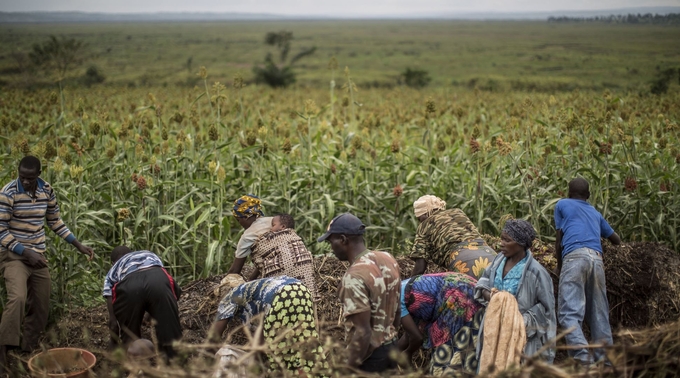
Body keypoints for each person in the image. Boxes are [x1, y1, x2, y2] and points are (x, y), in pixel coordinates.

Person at [0, 156, 94, 369]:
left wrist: (77, 244)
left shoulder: (46, 191)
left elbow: (54, 220)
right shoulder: (8, 193)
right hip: (14, 255)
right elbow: (1, 231)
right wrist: (26, 252)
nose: (25, 181)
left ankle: (27, 350)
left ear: (39, 175)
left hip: (38, 255)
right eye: (22, 177)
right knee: (18, 299)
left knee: (42, 304)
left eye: (30, 178)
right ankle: (3, 351)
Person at [318, 213, 401, 373]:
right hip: (392, 347)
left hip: (369, 358)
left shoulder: (353, 277)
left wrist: (346, 370)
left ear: (343, 240)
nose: (331, 247)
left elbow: (363, 333)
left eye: (331, 241)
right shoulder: (388, 258)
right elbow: (396, 310)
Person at [554, 178, 621, 366]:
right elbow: (616, 239)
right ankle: (606, 362)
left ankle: (585, 362)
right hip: (596, 260)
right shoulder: (594, 212)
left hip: (574, 258)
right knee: (599, 314)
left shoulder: (562, 204)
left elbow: (559, 240)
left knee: (569, 313)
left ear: (568, 193)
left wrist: (559, 266)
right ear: (588, 196)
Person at [207, 276, 327, 376]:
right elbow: (260, 342)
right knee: (305, 345)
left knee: (283, 357)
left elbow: (213, 338)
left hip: (283, 297)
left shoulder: (231, 296)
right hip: (302, 291)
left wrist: (203, 364)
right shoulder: (255, 292)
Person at [475, 219, 556, 363]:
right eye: (501, 238)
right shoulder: (498, 261)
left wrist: (518, 321)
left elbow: (547, 310)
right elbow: (484, 282)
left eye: (507, 240)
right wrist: (494, 297)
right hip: (493, 331)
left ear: (521, 244)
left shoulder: (536, 273)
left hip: (519, 337)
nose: (501, 243)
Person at [103, 246, 182, 360]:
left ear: (112, 262)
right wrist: (154, 313)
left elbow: (114, 321)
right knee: (169, 331)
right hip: (158, 279)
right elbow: (173, 291)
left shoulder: (114, 269)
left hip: (129, 286)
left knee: (129, 335)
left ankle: (136, 365)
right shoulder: (149, 254)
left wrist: (114, 343)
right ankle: (173, 363)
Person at [397, 272, 483, 376]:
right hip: (465, 287)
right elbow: (409, 333)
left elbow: (417, 337)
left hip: (460, 297)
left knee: (444, 359)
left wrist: (408, 353)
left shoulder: (394, 301)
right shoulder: (397, 289)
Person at [409, 195, 496, 279]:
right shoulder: (458, 212)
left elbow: (420, 267)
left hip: (463, 261)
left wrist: (407, 286)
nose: (420, 222)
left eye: (419, 218)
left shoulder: (424, 225)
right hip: (491, 255)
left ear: (425, 214)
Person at [248, 213, 318, 299]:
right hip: (304, 293)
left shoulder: (276, 240)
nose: (270, 228)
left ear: (283, 227)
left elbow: (258, 250)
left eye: (273, 225)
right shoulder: (297, 238)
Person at [225, 194, 272, 275]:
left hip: (276, 276)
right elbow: (267, 257)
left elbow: (235, 270)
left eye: (238, 220)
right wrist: (251, 279)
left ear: (246, 217)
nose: (240, 224)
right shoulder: (273, 221)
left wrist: (222, 285)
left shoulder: (248, 236)